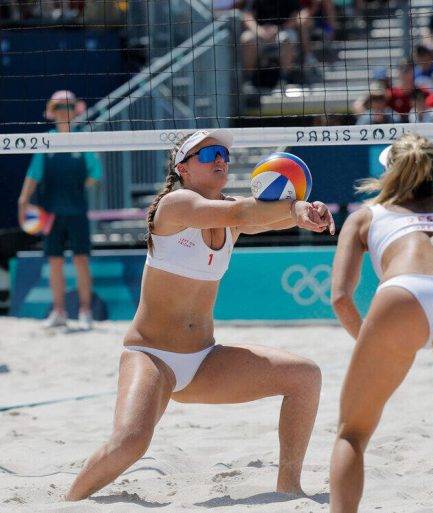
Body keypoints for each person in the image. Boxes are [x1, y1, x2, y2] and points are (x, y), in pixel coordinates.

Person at [65, 129, 335, 500]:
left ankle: (289, 489)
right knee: (130, 443)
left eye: (223, 153)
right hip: (151, 356)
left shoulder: (232, 217)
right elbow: (242, 210)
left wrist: (306, 211)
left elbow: (267, 217)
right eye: (208, 156)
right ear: (183, 169)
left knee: (305, 377)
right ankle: (68, 502)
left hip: (203, 360)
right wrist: (293, 209)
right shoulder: (176, 205)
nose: (221, 160)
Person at [329, 133, 433, 512]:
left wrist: (371, 341)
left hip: (400, 295)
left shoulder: (365, 216)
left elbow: (340, 297)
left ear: (390, 173)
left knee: (352, 434)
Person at [17, 90, 101, 331]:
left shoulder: (83, 140)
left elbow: (95, 175)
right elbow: (33, 175)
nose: (64, 112)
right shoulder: (46, 141)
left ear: (75, 111)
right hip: (50, 213)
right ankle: (59, 312)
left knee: (81, 260)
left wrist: (74, 187)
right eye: (59, 107)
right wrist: (23, 202)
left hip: (76, 212)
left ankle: (85, 312)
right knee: (54, 263)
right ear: (51, 112)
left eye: (68, 107)